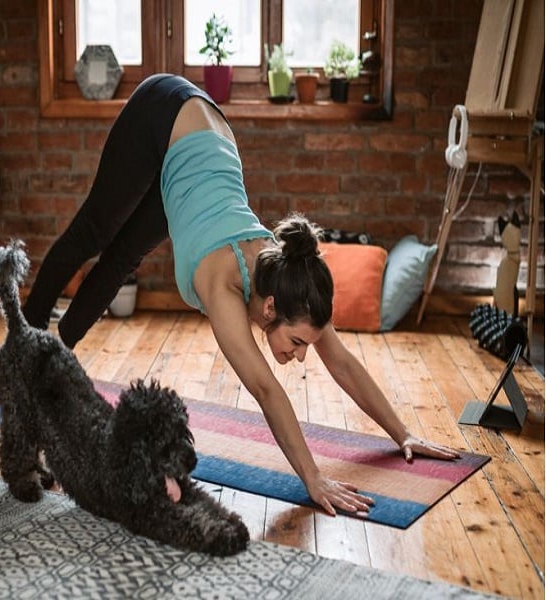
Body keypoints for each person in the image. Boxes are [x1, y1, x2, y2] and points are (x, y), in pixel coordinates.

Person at [23, 73, 459, 516]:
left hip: (203, 141)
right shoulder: (222, 284)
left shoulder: (292, 283)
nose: (303, 356)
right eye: (298, 343)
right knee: (93, 235)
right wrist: (314, 478)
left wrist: (402, 433)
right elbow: (267, 392)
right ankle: (26, 340)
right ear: (269, 308)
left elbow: (341, 361)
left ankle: (56, 350)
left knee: (122, 260)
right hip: (165, 111)